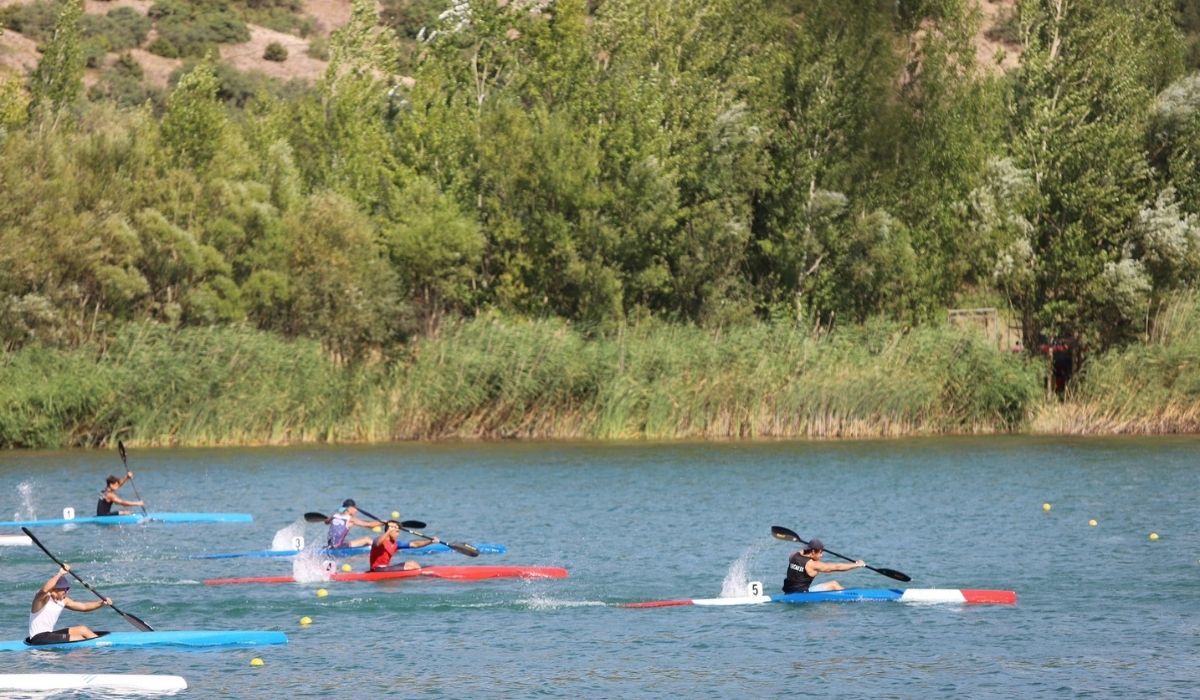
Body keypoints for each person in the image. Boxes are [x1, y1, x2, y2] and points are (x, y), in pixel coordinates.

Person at [27, 566, 110, 645]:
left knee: (82, 629)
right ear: (56, 589)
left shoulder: (63, 601)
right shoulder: (41, 600)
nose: (67, 592)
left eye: (68, 589)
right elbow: (44, 590)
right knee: (79, 638)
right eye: (65, 589)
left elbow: (84, 607)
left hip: (49, 635)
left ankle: (101, 645)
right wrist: (60, 574)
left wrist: (101, 603)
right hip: (38, 638)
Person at [782, 538, 865, 593]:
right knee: (834, 585)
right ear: (813, 552)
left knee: (833, 583)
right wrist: (857, 565)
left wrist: (810, 548)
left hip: (788, 592)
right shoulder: (812, 564)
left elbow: (802, 552)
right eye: (820, 553)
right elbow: (837, 567)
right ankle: (850, 598)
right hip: (802, 595)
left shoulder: (793, 556)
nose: (821, 555)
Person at [368, 520, 440, 572]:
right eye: (396, 532)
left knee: (412, 563)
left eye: (398, 532)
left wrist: (430, 542)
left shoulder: (396, 543)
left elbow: (414, 544)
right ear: (389, 531)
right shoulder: (378, 540)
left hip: (385, 568)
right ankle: (423, 575)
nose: (398, 534)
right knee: (411, 566)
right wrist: (388, 531)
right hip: (377, 569)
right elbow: (377, 543)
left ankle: (422, 573)